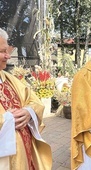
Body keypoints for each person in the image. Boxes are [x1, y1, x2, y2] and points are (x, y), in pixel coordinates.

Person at [0, 29, 52, 169]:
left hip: (24, 154)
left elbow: (35, 102)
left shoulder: (10, 79)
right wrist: (7, 120)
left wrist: (29, 112)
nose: (8, 56)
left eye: (7, 51)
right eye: (2, 51)